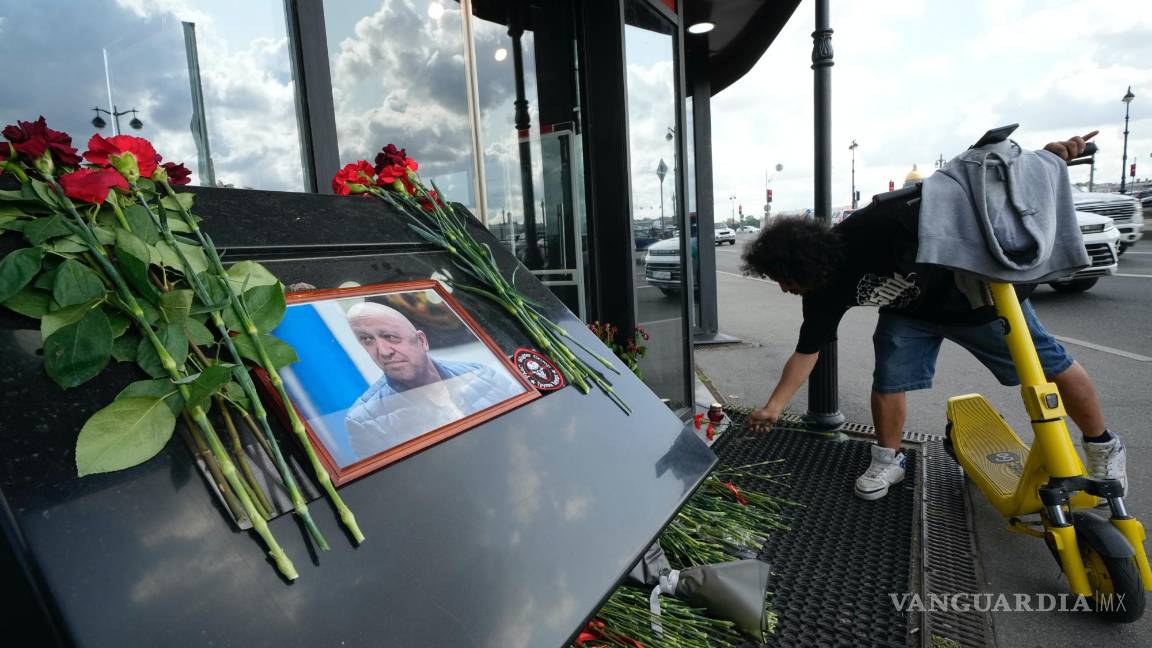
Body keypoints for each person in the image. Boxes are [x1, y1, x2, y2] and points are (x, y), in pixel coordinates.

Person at [741, 131, 1127, 500]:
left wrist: (1043, 159)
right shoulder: (821, 292)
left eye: (781, 278)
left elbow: (974, 188)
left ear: (804, 264)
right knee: (889, 379)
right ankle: (887, 461)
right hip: (911, 313)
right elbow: (808, 351)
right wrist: (774, 407)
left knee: (1052, 365)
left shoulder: (880, 224)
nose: (782, 288)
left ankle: (1102, 449)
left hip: (978, 299)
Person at [344, 301, 522, 460]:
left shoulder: (481, 374)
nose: (383, 351)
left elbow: (525, 431)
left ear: (422, 341)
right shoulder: (364, 421)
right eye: (367, 340)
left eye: (390, 337)